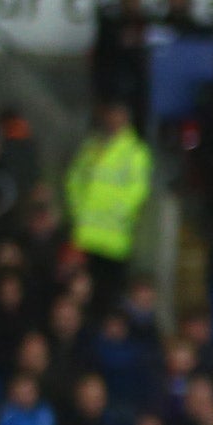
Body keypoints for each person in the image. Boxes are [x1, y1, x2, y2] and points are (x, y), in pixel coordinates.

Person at [63, 100, 154, 314]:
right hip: (84, 236)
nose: (113, 122)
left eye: (118, 116)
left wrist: (116, 210)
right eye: (110, 116)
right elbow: (74, 179)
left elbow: (138, 191)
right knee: (78, 295)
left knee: (107, 297)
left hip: (114, 239)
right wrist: (78, 209)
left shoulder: (135, 152)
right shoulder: (91, 146)